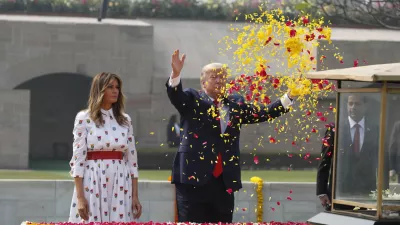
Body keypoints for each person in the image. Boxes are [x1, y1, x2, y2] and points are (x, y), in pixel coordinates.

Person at [166, 49, 296, 223]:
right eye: (214, 77)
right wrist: (175, 74)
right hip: (193, 178)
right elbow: (176, 95)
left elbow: (264, 113)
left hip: (223, 181)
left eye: (222, 76)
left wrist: (290, 96)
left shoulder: (235, 103)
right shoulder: (192, 99)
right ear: (203, 82)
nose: (219, 80)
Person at [68, 72, 142, 222]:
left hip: (120, 181)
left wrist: (135, 196)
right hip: (93, 179)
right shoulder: (84, 118)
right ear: (99, 90)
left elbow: (132, 162)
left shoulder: (125, 120)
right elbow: (78, 160)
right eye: (110, 87)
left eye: (117, 87)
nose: (115, 91)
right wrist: (80, 197)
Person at [316, 93, 389, 210]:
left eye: (357, 104)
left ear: (365, 106)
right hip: (339, 192)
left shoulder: (375, 129)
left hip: (366, 194)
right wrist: (321, 191)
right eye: (350, 104)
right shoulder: (335, 129)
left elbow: (383, 163)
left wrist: (384, 192)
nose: (353, 107)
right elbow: (325, 160)